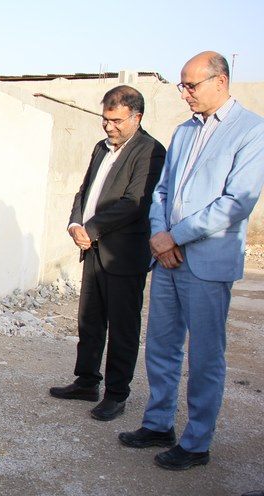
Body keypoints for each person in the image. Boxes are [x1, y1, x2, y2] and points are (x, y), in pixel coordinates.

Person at [119, 51, 264, 470]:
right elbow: (161, 191)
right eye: (182, 85)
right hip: (168, 260)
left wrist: (172, 237)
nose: (184, 93)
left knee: (205, 356)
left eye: (191, 85)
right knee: (162, 347)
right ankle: (159, 423)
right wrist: (160, 236)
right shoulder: (183, 131)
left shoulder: (251, 131)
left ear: (220, 81)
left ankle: (197, 442)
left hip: (206, 262)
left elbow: (236, 202)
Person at [49, 86, 166, 421]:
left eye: (116, 120)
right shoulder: (102, 148)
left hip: (123, 254)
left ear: (136, 117)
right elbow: (85, 190)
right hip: (93, 249)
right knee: (90, 320)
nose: (108, 126)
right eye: (105, 118)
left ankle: (117, 394)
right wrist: (75, 223)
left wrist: (93, 227)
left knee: (123, 327)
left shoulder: (150, 151)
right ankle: (86, 381)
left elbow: (135, 203)